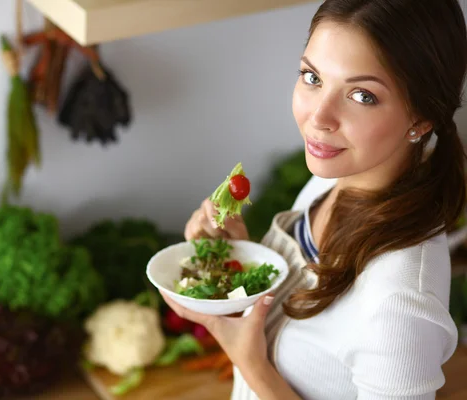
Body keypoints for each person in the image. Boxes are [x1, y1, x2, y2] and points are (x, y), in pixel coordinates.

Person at [160, 0, 467, 399]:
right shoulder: (337, 177)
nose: (319, 117)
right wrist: (240, 259)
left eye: (362, 96)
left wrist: (251, 362)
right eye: (312, 77)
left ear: (421, 119)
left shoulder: (401, 301)